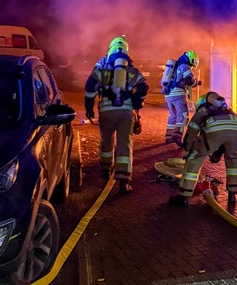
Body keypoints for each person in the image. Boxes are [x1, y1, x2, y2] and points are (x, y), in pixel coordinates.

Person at [84, 36, 149, 194]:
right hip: (125, 113)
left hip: (106, 112)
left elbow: (90, 86)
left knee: (106, 140)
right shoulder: (130, 68)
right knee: (124, 144)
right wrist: (135, 100)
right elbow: (144, 87)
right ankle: (123, 179)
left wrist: (89, 107)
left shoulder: (101, 66)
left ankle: (106, 168)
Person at [168, 92, 237, 209]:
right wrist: (219, 152)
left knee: (195, 159)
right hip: (236, 131)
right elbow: (230, 133)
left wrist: (188, 151)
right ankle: (232, 195)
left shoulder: (203, 111)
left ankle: (183, 196)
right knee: (233, 160)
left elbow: (192, 131)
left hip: (214, 131)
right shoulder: (230, 111)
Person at [160, 49, 201, 143]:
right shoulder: (185, 66)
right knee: (183, 115)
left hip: (168, 95)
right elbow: (189, 80)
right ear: (191, 59)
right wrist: (196, 82)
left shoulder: (175, 67)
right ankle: (177, 136)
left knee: (173, 116)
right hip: (178, 94)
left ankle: (169, 137)